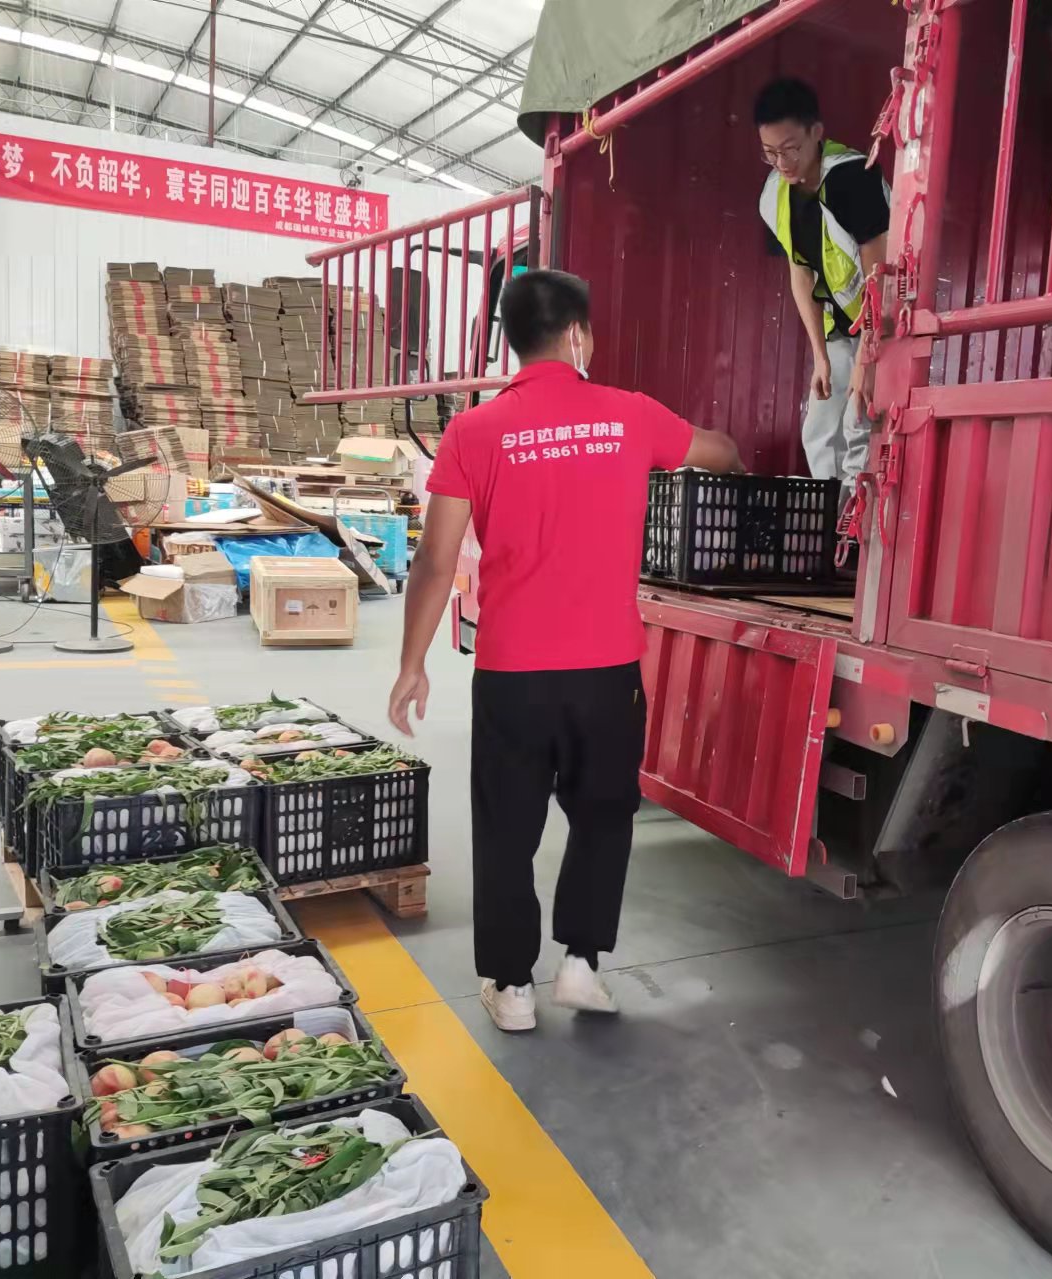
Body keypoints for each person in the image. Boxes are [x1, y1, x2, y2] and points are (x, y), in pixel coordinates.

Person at [388, 269, 742, 1033]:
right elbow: (720, 451)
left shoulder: (473, 432)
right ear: (578, 336)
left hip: (513, 673)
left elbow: (436, 560)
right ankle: (581, 965)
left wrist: (413, 663)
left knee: (507, 829)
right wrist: (737, 470)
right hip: (607, 671)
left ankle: (512, 989)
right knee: (604, 815)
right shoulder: (631, 416)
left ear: (512, 341)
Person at [755, 77, 892, 494]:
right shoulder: (775, 194)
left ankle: (856, 531)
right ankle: (827, 521)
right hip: (839, 329)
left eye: (791, 148)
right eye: (770, 153)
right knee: (818, 427)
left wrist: (869, 357)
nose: (782, 163)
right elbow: (800, 273)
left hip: (881, 325)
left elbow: (878, 273)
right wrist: (820, 357)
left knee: (858, 424)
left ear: (817, 133)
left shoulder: (854, 177)